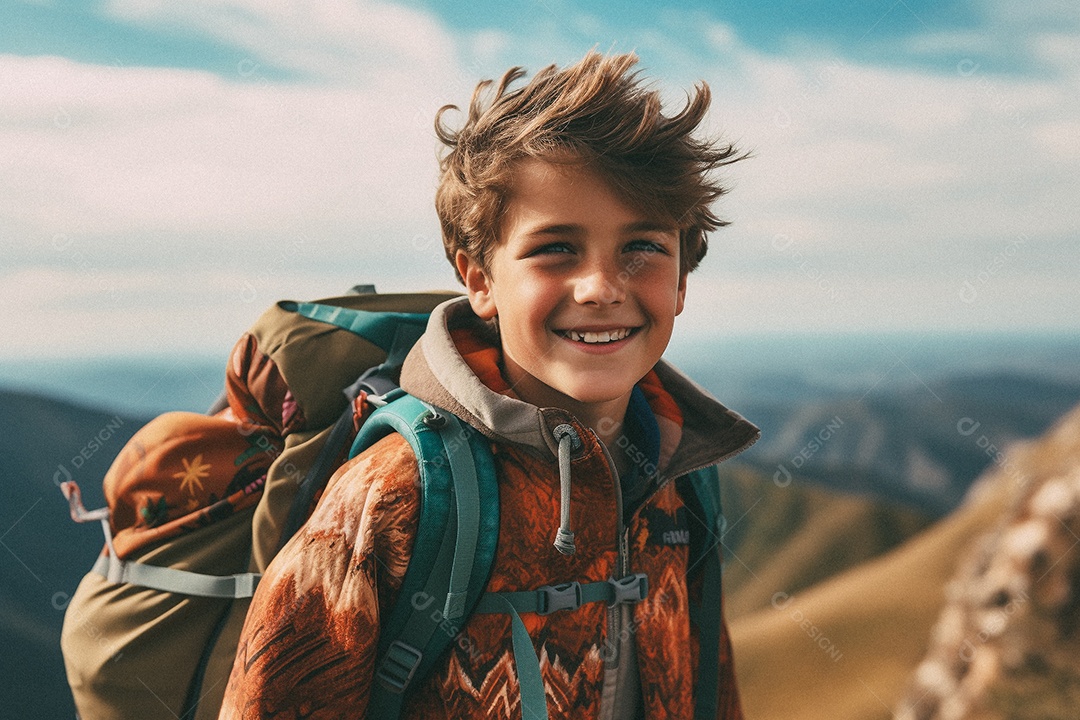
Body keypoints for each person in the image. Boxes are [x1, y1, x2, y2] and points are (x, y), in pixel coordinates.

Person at [219, 50, 759, 720]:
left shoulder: (681, 475)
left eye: (642, 247)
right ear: (478, 278)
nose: (600, 287)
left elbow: (711, 690)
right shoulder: (394, 494)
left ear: (681, 280)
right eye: (556, 247)